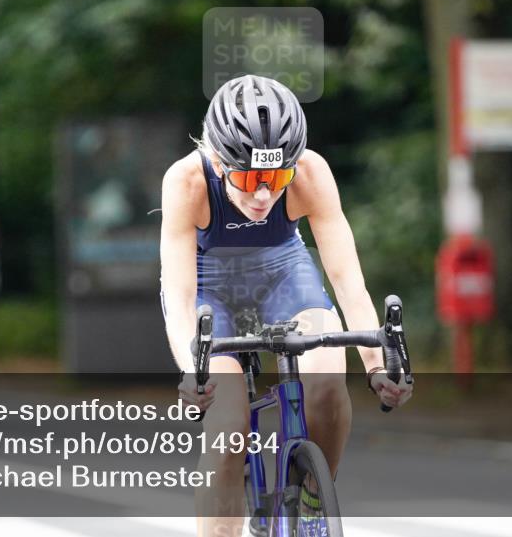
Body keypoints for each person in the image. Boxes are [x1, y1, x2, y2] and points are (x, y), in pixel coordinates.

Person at [159, 74, 411, 537]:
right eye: (250, 178)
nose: (263, 195)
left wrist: (377, 365)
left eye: (276, 177)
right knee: (229, 423)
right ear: (218, 162)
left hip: (283, 275)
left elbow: (346, 279)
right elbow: (179, 297)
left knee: (329, 386)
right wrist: (192, 371)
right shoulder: (187, 181)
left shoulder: (311, 173)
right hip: (211, 287)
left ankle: (314, 495)